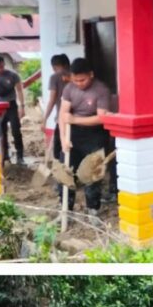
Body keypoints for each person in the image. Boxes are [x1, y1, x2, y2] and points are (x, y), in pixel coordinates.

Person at [59, 57, 111, 217]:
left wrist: (75, 119)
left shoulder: (101, 90)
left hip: (95, 134)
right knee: (65, 171)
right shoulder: (69, 88)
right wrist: (63, 139)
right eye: (75, 80)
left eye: (82, 80)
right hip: (73, 133)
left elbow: (102, 117)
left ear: (91, 75)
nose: (79, 83)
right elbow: (63, 114)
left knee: (92, 173)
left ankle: (93, 209)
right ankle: (66, 209)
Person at [0, 55, 26, 169]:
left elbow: (19, 91)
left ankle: (20, 156)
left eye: (1, 67)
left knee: (16, 130)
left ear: (4, 64)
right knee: (1, 132)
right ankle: (5, 155)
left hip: (11, 105)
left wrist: (22, 107)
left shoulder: (13, 75)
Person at [42, 53, 71, 162]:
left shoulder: (55, 77)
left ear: (54, 66)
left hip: (62, 119)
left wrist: (45, 119)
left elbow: (52, 100)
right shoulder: (75, 75)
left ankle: (62, 170)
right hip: (77, 118)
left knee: (59, 149)